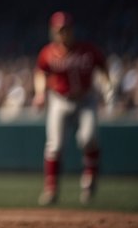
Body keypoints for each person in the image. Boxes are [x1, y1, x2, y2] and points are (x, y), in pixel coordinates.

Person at [32, 10, 114, 206]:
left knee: (88, 138)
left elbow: (102, 67)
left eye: (66, 29)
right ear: (53, 31)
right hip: (60, 99)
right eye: (60, 30)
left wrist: (107, 85)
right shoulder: (48, 52)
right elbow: (40, 73)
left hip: (85, 99)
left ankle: (90, 178)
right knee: (54, 145)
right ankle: (51, 189)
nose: (63, 33)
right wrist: (40, 93)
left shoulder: (87, 49)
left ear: (72, 29)